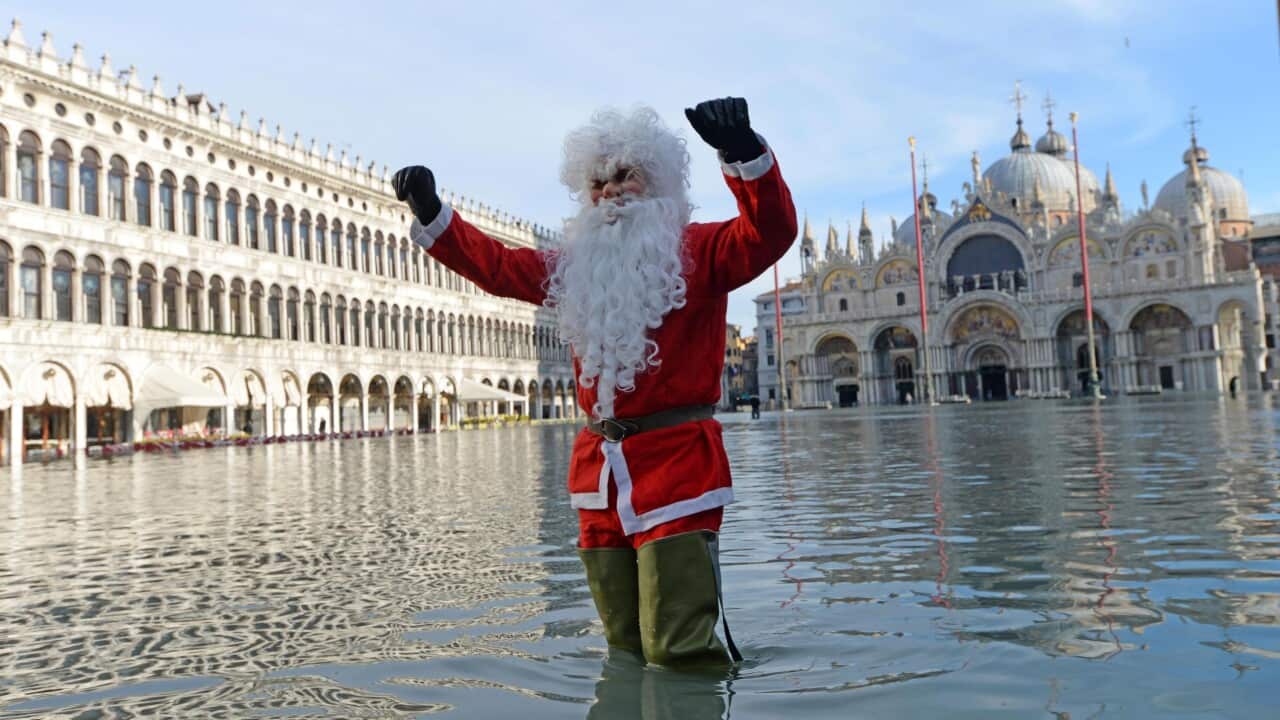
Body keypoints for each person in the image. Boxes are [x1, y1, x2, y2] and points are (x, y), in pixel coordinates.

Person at [393, 97, 796, 669]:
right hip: (599, 477)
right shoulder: (573, 265)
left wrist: (743, 153)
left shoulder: (701, 250)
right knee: (623, 648)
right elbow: (499, 267)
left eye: (625, 176)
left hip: (679, 470)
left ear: (654, 182)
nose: (609, 192)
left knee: (680, 649)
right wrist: (434, 213)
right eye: (597, 182)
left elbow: (771, 232)